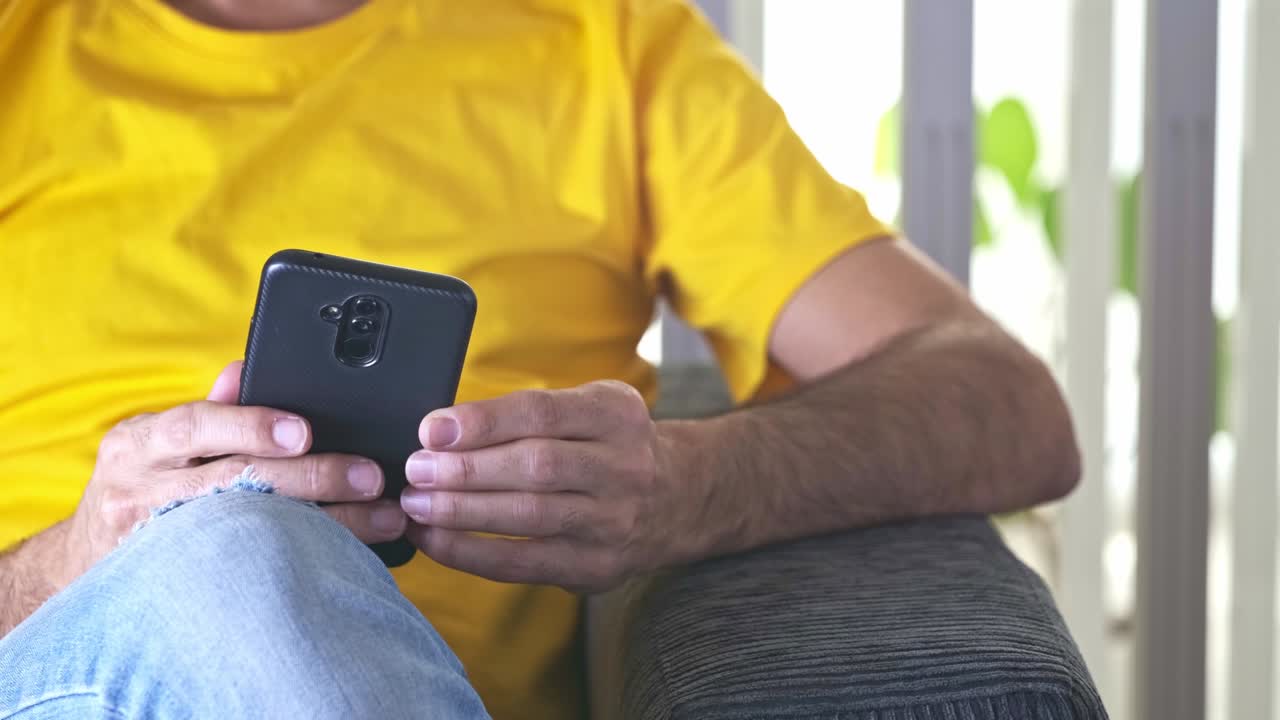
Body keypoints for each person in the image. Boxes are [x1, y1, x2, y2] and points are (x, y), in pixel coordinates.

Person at [0, 0, 1081, 718]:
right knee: (231, 552)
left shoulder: (602, 42)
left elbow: (1004, 403)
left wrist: (694, 481)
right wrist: (73, 560)